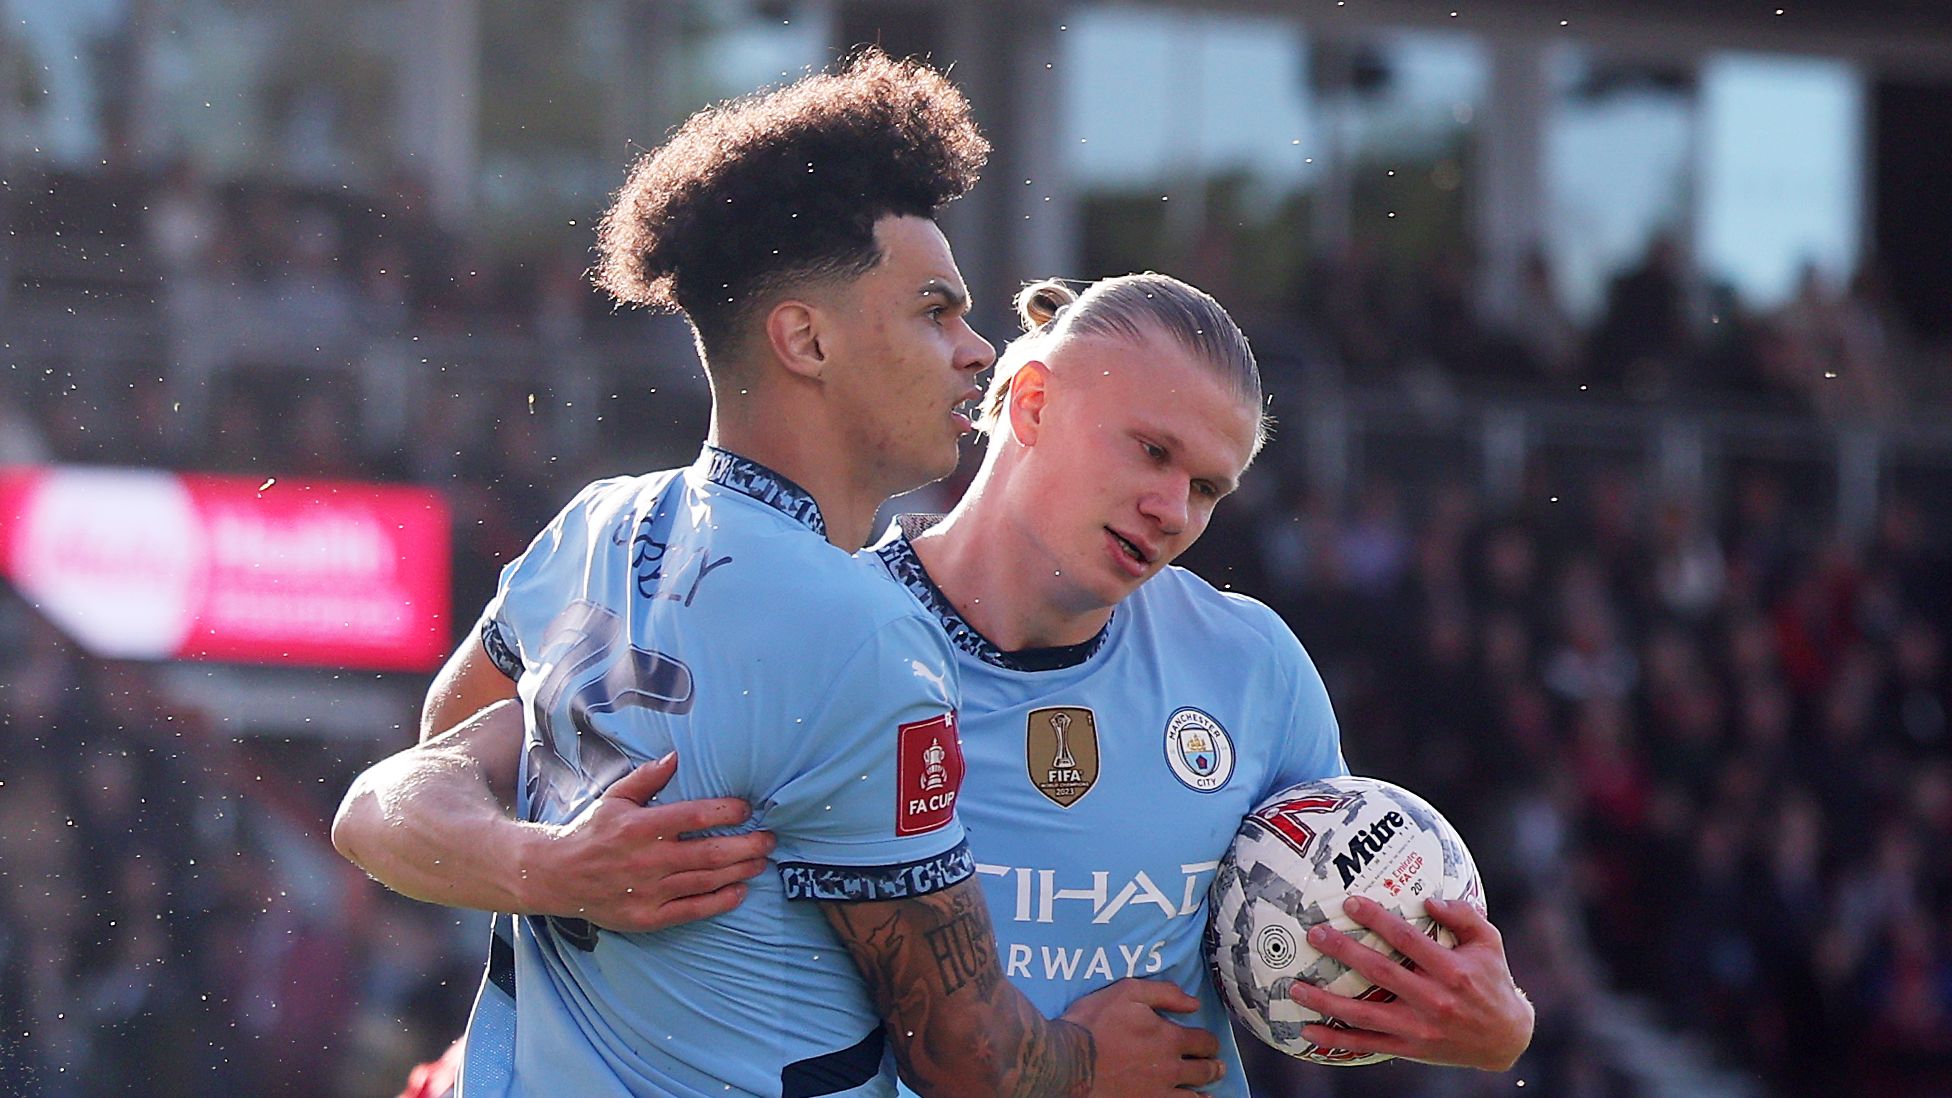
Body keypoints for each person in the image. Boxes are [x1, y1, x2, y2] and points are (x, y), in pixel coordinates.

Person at [343, 271, 1536, 1095]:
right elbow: (453, 764)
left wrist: (1486, 1023)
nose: (1172, 508)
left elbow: (1323, 940)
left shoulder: (1251, 666)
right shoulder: (823, 636)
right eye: (1151, 451)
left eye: (1208, 488)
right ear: (1032, 404)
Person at [334, 52, 1220, 1098]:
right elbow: (968, 1057)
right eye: (933, 311)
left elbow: (413, 779)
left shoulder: (595, 530)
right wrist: (1090, 1057)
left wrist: (544, 868)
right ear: (805, 339)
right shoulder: (861, 635)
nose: (977, 349)